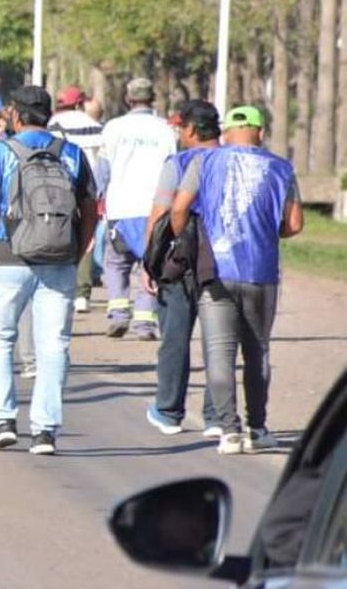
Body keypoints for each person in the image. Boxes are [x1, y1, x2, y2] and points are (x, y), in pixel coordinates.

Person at [170, 106, 305, 455]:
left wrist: (184, 239)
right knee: (257, 350)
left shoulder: (205, 161)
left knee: (219, 351)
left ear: (226, 133)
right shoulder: (282, 168)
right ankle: (258, 428)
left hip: (214, 269)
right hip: (261, 271)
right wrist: (265, 233)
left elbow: (179, 207)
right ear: (260, 133)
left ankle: (229, 430)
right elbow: (293, 225)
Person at [0, 85, 99, 455]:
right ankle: (45, 430)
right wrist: (77, 250)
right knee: (53, 345)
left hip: (9, 255)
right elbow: (91, 209)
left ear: (15, 113)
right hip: (60, 258)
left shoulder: (1, 152)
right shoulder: (72, 154)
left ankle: (2, 420)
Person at [145, 100, 222, 438]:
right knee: (220, 341)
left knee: (175, 335)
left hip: (182, 261)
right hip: (226, 262)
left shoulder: (178, 163)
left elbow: (160, 214)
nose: (179, 133)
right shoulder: (233, 161)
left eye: (180, 127)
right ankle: (218, 415)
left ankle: (168, 410)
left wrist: (150, 262)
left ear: (190, 129)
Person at [99, 77, 175, 339]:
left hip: (121, 207)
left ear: (128, 99)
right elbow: (172, 167)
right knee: (152, 262)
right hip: (156, 207)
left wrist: (99, 196)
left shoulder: (113, 128)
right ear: (152, 99)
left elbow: (103, 168)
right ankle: (144, 321)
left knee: (116, 262)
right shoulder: (165, 129)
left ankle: (119, 313)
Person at [49, 84, 106, 314]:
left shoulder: (52, 124)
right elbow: (102, 159)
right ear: (80, 102)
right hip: (88, 186)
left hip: (56, 186)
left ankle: (60, 287)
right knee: (87, 237)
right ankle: (82, 292)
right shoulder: (94, 126)